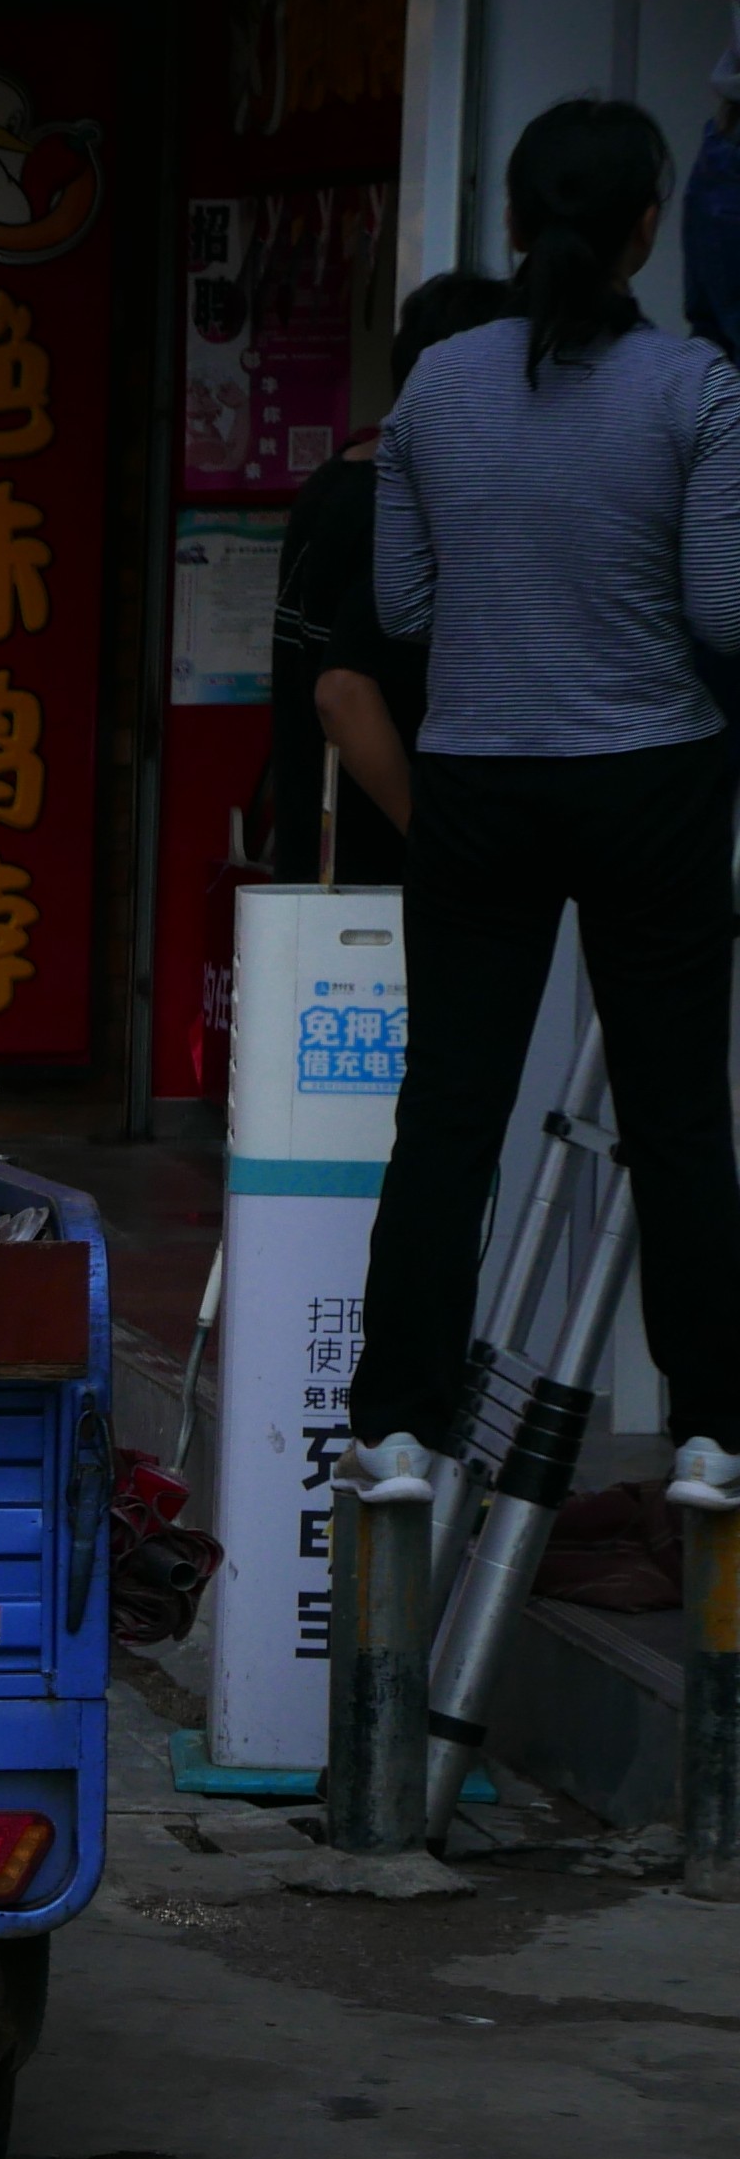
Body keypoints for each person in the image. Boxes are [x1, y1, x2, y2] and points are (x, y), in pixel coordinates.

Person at [350, 98, 740, 1525]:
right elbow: (721, 607)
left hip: (478, 777)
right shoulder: (697, 389)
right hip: (651, 778)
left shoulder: (437, 388)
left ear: (511, 223)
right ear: (647, 225)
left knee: (449, 1104)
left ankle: (395, 1424)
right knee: (678, 1110)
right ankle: (711, 1431)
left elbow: (402, 606)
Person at [264, 273, 511, 883]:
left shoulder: (335, 480)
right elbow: (342, 692)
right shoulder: (402, 506)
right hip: (379, 885)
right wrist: (434, 844)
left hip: (317, 861)